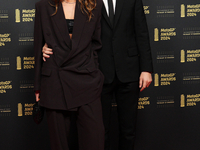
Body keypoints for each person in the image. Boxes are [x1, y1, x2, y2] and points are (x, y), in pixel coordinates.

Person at [42, 0, 153, 149]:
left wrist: (146, 69)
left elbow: (142, 32)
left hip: (129, 71)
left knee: (128, 130)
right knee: (99, 131)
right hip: (98, 73)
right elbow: (72, 29)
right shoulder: (87, 2)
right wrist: (48, 44)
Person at [33, 0, 104, 150]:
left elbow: (96, 45)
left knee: (94, 142)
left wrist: (94, 72)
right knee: (59, 145)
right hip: (55, 83)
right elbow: (38, 44)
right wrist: (37, 87)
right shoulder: (43, 6)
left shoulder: (95, 5)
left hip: (87, 80)